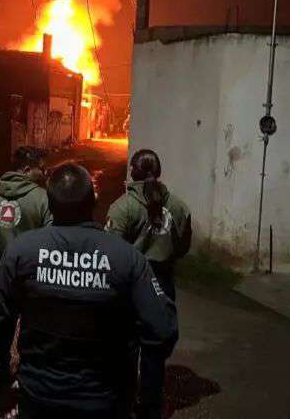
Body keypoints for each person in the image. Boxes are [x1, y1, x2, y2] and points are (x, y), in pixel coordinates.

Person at [0, 163, 178, 418]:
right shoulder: (127, 258)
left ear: (48, 203)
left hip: (38, 399)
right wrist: (146, 397)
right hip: (106, 402)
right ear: (94, 199)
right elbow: (162, 328)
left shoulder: (21, 252)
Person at [105, 148, 192, 419]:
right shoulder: (179, 207)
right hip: (162, 285)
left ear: (133, 171)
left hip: (130, 289)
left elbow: (112, 254)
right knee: (155, 351)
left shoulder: (123, 207)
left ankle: (125, 404)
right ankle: (150, 408)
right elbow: (183, 246)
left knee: (125, 347)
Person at [0, 146, 53, 276]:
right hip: (34, 275)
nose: (44, 173)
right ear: (27, 170)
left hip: (2, 274)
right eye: (41, 169)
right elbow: (53, 239)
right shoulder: (44, 198)